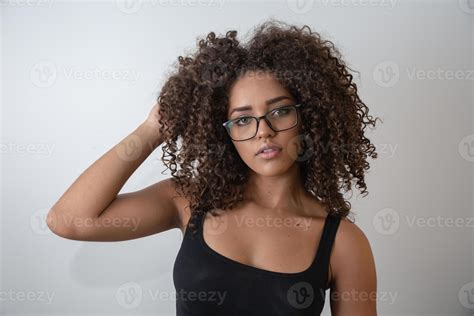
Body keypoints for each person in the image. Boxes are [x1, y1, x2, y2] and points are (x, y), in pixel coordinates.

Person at [47, 18, 379, 315]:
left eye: (279, 111)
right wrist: (152, 130)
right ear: (223, 133)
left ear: (308, 117)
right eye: (243, 119)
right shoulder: (190, 201)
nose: (264, 130)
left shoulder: (342, 242)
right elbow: (70, 221)